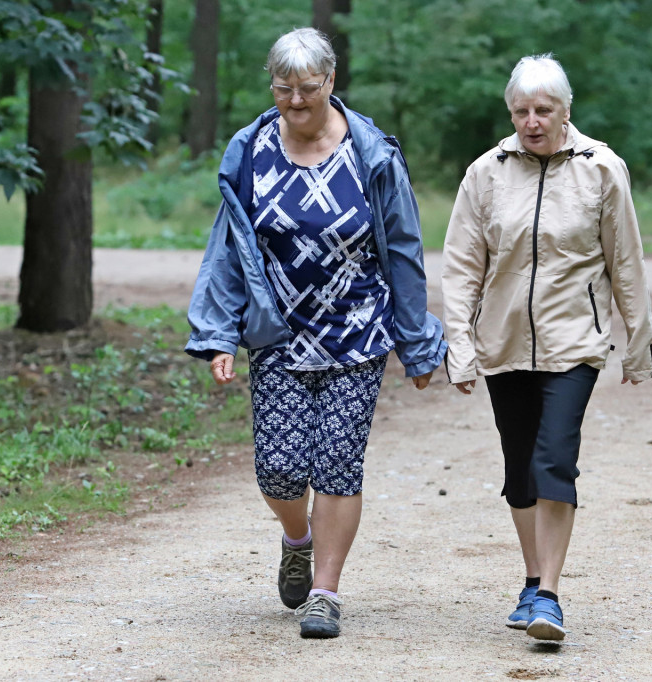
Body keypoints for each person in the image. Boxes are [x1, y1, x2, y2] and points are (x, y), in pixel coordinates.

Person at [185, 27, 446, 639]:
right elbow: (228, 248)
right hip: (277, 332)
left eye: (307, 88)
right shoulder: (250, 150)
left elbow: (403, 250)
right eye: (284, 89)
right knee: (278, 469)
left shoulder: (370, 152)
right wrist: (220, 333)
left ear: (330, 81)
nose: (296, 100)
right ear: (271, 85)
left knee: (337, 462)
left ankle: (324, 593)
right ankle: (295, 538)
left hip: (358, 329)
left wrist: (415, 342)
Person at [441, 54, 652, 642]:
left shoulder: (602, 170)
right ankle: (532, 578)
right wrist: (458, 346)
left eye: (543, 110)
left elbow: (626, 262)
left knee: (553, 460)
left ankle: (550, 596)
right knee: (520, 471)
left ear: (566, 110)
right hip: (505, 342)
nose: (532, 121)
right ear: (509, 112)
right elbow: (462, 267)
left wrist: (638, 344)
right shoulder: (485, 174)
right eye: (521, 111)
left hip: (574, 343)